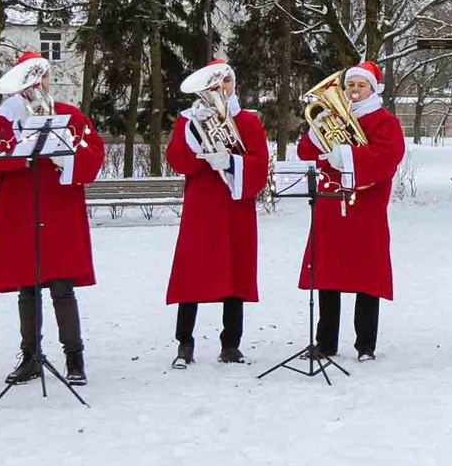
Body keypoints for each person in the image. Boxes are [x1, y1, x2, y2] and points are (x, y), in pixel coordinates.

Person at [0, 51, 105, 387]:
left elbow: (93, 151)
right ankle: (30, 357)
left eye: (42, 77)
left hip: (59, 208)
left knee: (63, 287)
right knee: (27, 287)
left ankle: (75, 358)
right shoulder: (1, 119)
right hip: (22, 207)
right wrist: (20, 152)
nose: (37, 84)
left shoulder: (69, 115)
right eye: (30, 78)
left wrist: (68, 158)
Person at [295, 61, 407, 361]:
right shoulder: (331, 118)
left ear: (373, 89)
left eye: (361, 86)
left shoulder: (385, 122)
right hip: (330, 205)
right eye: (350, 86)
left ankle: (365, 345)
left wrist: (346, 154)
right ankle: (326, 343)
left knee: (366, 278)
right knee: (327, 278)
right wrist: (318, 138)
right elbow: (305, 153)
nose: (354, 91)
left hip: (366, 208)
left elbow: (388, 157)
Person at [164, 59, 270, 368]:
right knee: (191, 272)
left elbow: (260, 165)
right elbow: (178, 162)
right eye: (212, 85)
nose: (219, 89)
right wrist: (196, 136)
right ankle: (185, 343)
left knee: (235, 272)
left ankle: (231, 344)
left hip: (236, 206)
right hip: (201, 205)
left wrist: (232, 163)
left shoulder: (248, 121)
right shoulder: (187, 121)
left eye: (224, 83)